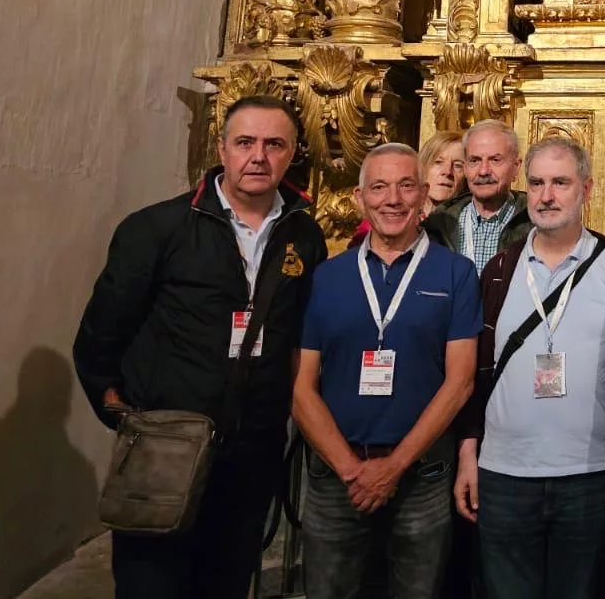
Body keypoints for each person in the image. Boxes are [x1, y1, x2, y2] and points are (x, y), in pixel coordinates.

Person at [73, 95, 328, 599]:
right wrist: (123, 414)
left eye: (274, 144)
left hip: (252, 447)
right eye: (245, 143)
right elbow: (102, 333)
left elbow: (301, 330)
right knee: (153, 582)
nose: (259, 156)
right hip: (166, 442)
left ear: (293, 152)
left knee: (228, 579)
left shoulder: (304, 233)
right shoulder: (158, 228)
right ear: (222, 148)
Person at [293, 143, 482, 599]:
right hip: (336, 476)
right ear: (360, 198)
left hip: (421, 476)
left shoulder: (456, 273)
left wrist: (393, 467)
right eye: (378, 187)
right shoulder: (326, 277)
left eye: (404, 186)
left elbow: (460, 383)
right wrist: (351, 469)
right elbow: (301, 387)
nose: (392, 199)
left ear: (422, 196)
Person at [455, 137, 605, 599]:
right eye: (536, 183)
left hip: (589, 475)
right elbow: (476, 373)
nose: (546, 195)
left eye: (561, 182)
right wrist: (467, 453)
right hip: (504, 475)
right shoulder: (500, 270)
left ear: (586, 189)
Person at [423, 120, 531, 263]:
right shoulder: (438, 225)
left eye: (495, 160)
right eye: (474, 160)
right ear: (466, 167)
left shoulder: (536, 222)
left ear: (516, 167)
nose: (483, 171)